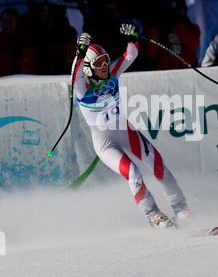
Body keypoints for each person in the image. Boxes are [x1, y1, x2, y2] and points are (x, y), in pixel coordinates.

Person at [73, 25, 190, 228]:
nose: (105, 66)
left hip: (126, 132)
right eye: (99, 63)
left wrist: (133, 38)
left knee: (159, 167)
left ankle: (182, 210)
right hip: (105, 144)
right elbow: (76, 75)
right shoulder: (83, 90)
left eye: (106, 60)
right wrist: (80, 53)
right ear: (88, 68)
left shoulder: (113, 74)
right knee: (134, 174)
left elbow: (130, 55)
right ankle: (154, 216)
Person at [144, 0, 201, 70]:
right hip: (164, 73)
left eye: (180, 8)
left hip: (186, 73)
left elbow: (194, 44)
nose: (177, 12)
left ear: (185, 10)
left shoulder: (192, 28)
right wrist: (155, 28)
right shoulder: (159, 29)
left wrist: (176, 24)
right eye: (173, 10)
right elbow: (150, 54)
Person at [0, 7, 37, 76]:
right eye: (5, 21)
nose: (7, 25)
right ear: (1, 23)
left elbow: (29, 72)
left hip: (16, 81)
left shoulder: (24, 43)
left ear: (17, 23)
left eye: (11, 21)